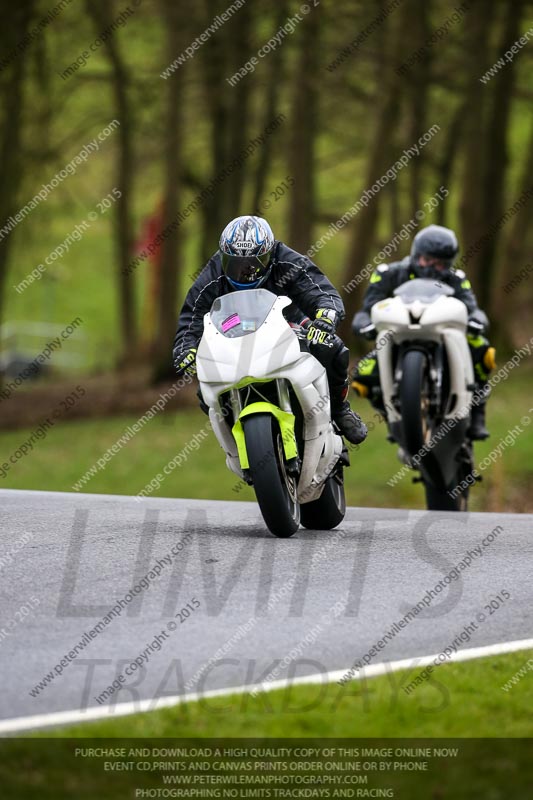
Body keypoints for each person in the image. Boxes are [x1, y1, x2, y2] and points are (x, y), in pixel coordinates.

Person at [173, 214, 368, 445]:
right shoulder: (213, 273)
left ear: (269, 254)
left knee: (330, 346)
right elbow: (192, 316)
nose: (244, 271)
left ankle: (339, 410)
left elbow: (321, 292)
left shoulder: (287, 260)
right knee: (205, 388)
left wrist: (325, 318)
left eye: (253, 264)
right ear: (223, 256)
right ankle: (239, 439)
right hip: (235, 329)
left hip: (290, 320)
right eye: (234, 264)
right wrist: (186, 348)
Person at [351, 224, 495, 440]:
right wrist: (364, 326)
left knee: (482, 350)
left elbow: (473, 309)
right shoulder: (387, 274)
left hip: (441, 333)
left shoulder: (457, 279)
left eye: (439, 264)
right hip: (398, 336)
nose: (430, 268)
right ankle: (393, 419)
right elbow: (367, 310)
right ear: (416, 255)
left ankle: (477, 416)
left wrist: (477, 322)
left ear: (449, 263)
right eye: (427, 260)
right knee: (363, 374)